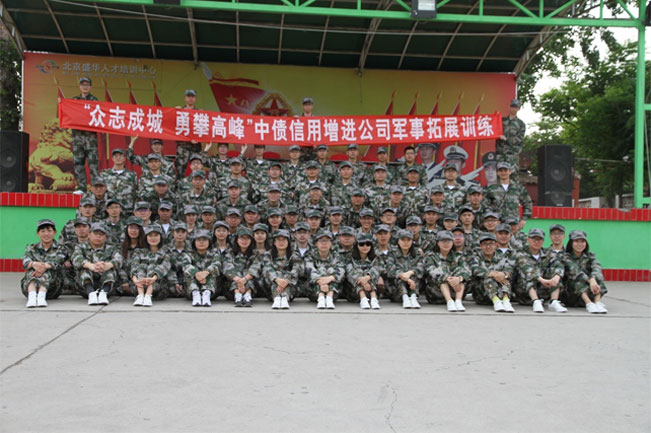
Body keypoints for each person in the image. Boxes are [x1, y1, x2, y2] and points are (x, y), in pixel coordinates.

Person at [515, 228, 567, 313]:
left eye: (539, 239)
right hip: (525, 293)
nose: (537, 242)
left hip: (543, 291)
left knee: (555, 273)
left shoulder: (547, 253)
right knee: (526, 273)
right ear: (528, 239)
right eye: (534, 239)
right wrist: (542, 280)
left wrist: (556, 277)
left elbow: (558, 264)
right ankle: (536, 301)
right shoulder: (521, 252)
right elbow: (526, 267)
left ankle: (554, 301)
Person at [72, 223, 123, 306]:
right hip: (85, 287)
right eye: (95, 234)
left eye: (101, 234)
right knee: (84, 269)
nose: (98, 236)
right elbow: (76, 259)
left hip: (107, 284)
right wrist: (91, 266)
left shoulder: (112, 247)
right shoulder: (81, 247)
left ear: (105, 237)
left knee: (111, 269)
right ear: (89, 234)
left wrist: (107, 265)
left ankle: (103, 293)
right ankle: (91, 294)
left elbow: (119, 259)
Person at [423, 230, 470, 312]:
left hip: (455, 290)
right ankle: (449, 302)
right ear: (438, 243)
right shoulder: (431, 256)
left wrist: (459, 279)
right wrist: (447, 278)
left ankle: (458, 301)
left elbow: (467, 270)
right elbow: (431, 270)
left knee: (460, 275)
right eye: (443, 241)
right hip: (436, 293)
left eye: (449, 241)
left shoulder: (458, 256)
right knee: (442, 277)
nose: (446, 243)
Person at [22, 219, 65, 308]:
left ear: (54, 232)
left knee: (48, 270)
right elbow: (25, 261)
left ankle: (41, 296)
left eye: (49, 231)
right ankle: (32, 297)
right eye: (43, 231)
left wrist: (43, 267)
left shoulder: (61, 248)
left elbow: (59, 261)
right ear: (38, 233)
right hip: (29, 287)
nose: (46, 234)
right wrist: (34, 264)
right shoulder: (32, 248)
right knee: (31, 270)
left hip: (52, 288)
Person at [563, 230, 608, 314]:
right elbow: (575, 272)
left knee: (598, 278)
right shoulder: (566, 257)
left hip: (588, 290)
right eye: (576, 241)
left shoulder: (590, 256)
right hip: (570, 294)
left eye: (582, 241)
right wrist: (590, 281)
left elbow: (597, 267)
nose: (580, 244)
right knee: (576, 280)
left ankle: (597, 303)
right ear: (571, 243)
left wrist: (593, 279)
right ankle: (589, 304)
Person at [469, 233, 516, 313]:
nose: (488, 247)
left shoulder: (501, 256)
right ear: (480, 246)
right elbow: (475, 269)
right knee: (489, 278)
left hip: (500, 291)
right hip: (482, 294)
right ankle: (496, 301)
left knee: (505, 279)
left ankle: (506, 301)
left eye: (491, 244)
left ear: (496, 245)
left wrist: (504, 275)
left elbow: (510, 270)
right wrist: (493, 274)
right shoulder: (476, 256)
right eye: (485, 244)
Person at [70, 77, 100, 194]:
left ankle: (95, 187)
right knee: (78, 162)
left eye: (87, 85)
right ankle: (81, 187)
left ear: (90, 87)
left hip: (90, 138)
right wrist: (61, 104)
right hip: (77, 137)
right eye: (83, 85)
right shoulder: (74, 100)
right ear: (79, 86)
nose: (85, 87)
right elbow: (67, 113)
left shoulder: (95, 101)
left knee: (93, 163)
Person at [130, 224, 171, 307]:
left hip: (158, 286)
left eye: (156, 235)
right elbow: (134, 265)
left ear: (160, 237)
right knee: (142, 266)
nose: (153, 238)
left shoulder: (166, 251)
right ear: (146, 237)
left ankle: (148, 295)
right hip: (139, 285)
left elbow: (165, 266)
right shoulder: (139, 252)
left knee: (152, 266)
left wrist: (153, 279)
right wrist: (136, 280)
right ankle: (140, 296)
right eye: (150, 235)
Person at [484, 162, 533, 229]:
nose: (503, 173)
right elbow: (485, 204)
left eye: (505, 170)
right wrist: (491, 219)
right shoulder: (492, 189)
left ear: (510, 171)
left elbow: (528, 202)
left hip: (513, 223)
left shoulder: (518, 188)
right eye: (501, 171)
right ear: (497, 173)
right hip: (497, 224)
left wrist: (524, 219)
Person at [305, 230, 345, 309]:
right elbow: (309, 270)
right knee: (320, 271)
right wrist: (321, 282)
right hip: (314, 290)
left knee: (332, 273)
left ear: (331, 243)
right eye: (321, 241)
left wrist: (329, 279)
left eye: (327, 241)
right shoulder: (310, 255)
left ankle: (329, 298)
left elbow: (341, 270)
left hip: (334, 290)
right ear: (316, 243)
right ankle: (321, 298)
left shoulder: (336, 255)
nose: (324, 243)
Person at [263, 230, 302, 309]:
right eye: (278, 240)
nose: (281, 242)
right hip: (271, 287)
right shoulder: (268, 255)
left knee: (286, 279)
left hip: (290, 286)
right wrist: (277, 279)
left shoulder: (294, 255)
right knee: (276, 277)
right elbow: (267, 268)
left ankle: (284, 299)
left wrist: (286, 280)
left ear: (288, 242)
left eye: (284, 240)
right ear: (274, 242)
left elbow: (297, 269)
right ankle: (277, 298)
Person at [185, 229, 223, 307]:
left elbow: (217, 265)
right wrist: (197, 274)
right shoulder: (189, 253)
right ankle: (195, 294)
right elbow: (185, 265)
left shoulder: (215, 252)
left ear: (209, 242)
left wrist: (205, 273)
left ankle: (206, 294)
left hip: (212, 289)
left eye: (204, 240)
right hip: (191, 289)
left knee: (212, 274)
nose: (201, 242)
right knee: (189, 274)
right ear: (194, 242)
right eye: (198, 240)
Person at [387, 229, 424, 309]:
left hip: (414, 285)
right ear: (398, 241)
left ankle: (413, 297)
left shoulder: (417, 253)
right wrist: (405, 277)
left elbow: (421, 268)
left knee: (414, 275)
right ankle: (405, 297)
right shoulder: (392, 252)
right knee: (399, 277)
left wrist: (410, 273)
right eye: (403, 240)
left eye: (408, 240)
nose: (405, 242)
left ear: (412, 241)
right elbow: (390, 270)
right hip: (396, 289)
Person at [223, 227, 257, 307]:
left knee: (248, 274)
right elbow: (227, 267)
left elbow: (255, 268)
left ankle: (247, 296)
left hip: (250, 284)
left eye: (247, 238)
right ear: (237, 240)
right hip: (231, 287)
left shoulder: (255, 253)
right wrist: (239, 280)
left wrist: (244, 279)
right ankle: (237, 295)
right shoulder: (230, 252)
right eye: (242, 238)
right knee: (236, 273)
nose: (244, 241)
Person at [346, 233, 381, 309]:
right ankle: (363, 298)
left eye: (368, 244)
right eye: (361, 244)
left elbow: (377, 269)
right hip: (354, 292)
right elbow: (350, 272)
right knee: (359, 272)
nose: (365, 247)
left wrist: (367, 277)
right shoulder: (350, 257)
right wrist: (363, 281)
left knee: (369, 273)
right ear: (357, 245)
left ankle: (374, 299)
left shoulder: (375, 258)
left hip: (371, 288)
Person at [101, 148, 138, 216]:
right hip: (110, 211)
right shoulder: (105, 174)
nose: (118, 158)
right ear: (112, 158)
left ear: (124, 158)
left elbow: (135, 193)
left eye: (120, 156)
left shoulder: (132, 174)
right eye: (116, 156)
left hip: (127, 210)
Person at [175, 89, 202, 179]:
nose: (190, 98)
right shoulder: (179, 111)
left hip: (195, 147)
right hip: (182, 147)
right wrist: (174, 112)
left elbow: (205, 129)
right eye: (188, 96)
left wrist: (199, 138)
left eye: (192, 96)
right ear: (185, 98)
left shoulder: (200, 113)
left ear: (195, 98)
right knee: (180, 171)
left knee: (196, 171)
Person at [496, 98, 525, 178]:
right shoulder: (501, 121)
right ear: (509, 107)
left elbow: (520, 139)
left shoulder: (521, 124)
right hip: (501, 153)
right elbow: (494, 131)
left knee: (513, 176)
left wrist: (506, 138)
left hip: (512, 154)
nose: (514, 109)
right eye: (512, 106)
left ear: (519, 109)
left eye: (516, 107)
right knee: (500, 176)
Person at [118, 216, 145, 295]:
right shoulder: (121, 246)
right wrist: (125, 281)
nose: (133, 231)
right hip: (123, 279)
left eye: (136, 228)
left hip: (138, 278)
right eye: (131, 228)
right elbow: (119, 266)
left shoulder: (145, 246)